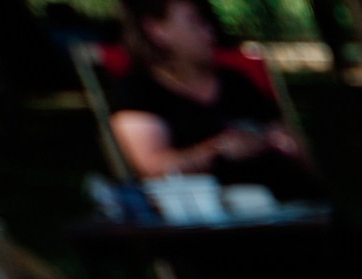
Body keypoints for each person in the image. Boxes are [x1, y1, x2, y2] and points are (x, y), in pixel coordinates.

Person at [107, 0, 319, 203]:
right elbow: (152, 169)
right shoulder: (139, 93)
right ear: (157, 30)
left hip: (285, 199)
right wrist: (216, 151)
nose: (209, 32)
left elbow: (290, 140)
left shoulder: (236, 82)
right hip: (205, 214)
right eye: (194, 22)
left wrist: (278, 142)